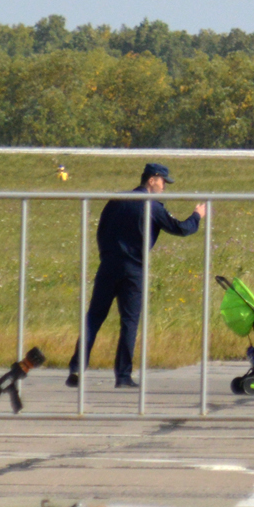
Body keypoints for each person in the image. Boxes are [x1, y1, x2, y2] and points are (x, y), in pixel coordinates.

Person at [67, 163, 205, 389]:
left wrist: (106, 253)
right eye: (163, 182)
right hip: (134, 269)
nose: (164, 188)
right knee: (129, 322)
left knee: (94, 317)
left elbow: (101, 230)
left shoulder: (117, 200)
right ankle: (123, 376)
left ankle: (76, 367)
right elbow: (180, 228)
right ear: (152, 180)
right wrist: (197, 216)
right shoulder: (153, 207)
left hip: (109, 265)